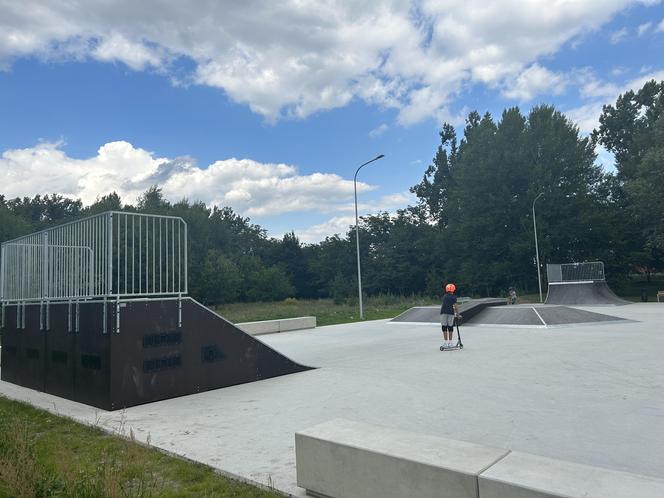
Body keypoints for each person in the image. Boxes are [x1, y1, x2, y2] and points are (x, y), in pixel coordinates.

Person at [440, 283, 459, 348]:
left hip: (443, 313)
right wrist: (458, 314)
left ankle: (445, 342)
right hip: (450, 313)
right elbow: (456, 306)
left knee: (444, 327)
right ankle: (450, 342)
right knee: (450, 327)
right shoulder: (454, 297)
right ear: (453, 290)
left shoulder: (444, 296)